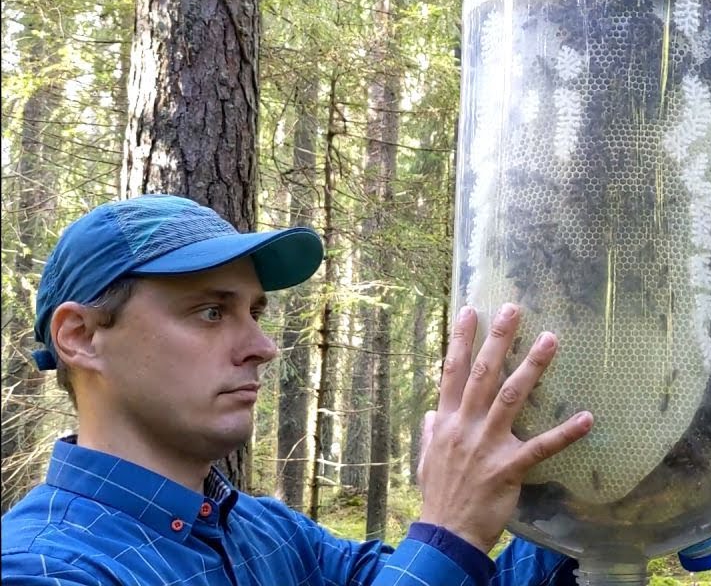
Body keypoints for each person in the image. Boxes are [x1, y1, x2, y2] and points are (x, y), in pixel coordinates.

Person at [0, 194, 595, 585]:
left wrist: (598, 519)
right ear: (80, 337)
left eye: (255, 312)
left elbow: (454, 576)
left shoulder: (266, 534)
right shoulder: (44, 566)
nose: (261, 345)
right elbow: (439, 558)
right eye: (210, 312)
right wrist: (449, 528)